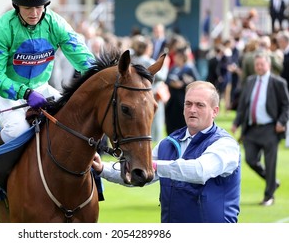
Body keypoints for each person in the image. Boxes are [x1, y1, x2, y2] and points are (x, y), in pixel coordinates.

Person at [0, 0, 95, 198]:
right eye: (28, 6)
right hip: (6, 94)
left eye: (39, 6)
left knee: (75, 122)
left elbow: (83, 58)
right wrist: (25, 92)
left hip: (42, 89)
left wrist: (101, 75)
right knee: (18, 128)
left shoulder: (56, 23)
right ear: (16, 4)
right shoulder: (0, 30)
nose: (34, 12)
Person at [93, 81, 241, 223]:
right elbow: (139, 174)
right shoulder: (168, 143)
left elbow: (200, 171)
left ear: (215, 111)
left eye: (200, 105)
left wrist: (154, 165)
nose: (192, 109)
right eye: (188, 104)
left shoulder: (225, 144)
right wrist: (102, 168)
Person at [232, 51, 288, 206]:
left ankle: (269, 196)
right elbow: (243, 105)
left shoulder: (278, 82)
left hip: (271, 128)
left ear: (268, 65)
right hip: (251, 129)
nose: (259, 67)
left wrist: (281, 122)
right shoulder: (250, 81)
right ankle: (272, 181)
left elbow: (286, 105)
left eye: (261, 64)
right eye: (256, 64)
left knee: (271, 163)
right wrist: (236, 123)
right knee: (250, 159)